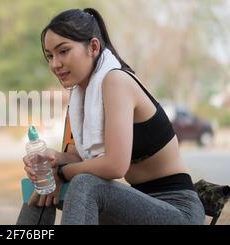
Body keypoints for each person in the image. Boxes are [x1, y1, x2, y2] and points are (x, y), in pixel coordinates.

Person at [16, 8, 205, 225]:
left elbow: (115, 166)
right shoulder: (80, 97)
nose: (54, 64)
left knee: (85, 184)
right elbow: (81, 159)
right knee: (42, 185)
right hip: (138, 204)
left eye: (63, 51)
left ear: (94, 47)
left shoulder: (116, 81)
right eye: (50, 56)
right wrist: (51, 162)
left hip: (177, 210)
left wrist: (62, 172)